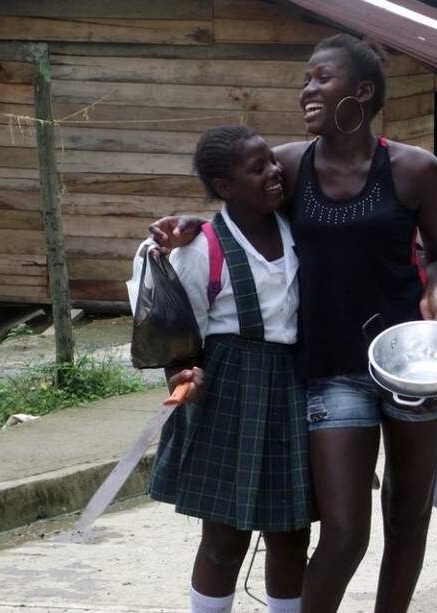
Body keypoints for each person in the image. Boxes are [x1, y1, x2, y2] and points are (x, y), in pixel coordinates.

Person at [147, 34, 437, 613]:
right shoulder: (289, 165)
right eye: (306, 80)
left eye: (322, 78)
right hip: (330, 370)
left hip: (412, 364)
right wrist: (190, 223)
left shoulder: (416, 170)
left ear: (361, 93)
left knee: (408, 516)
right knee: (343, 532)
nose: (307, 90)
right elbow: (239, 211)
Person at [128, 126, 314, 613]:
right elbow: (176, 328)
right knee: (224, 537)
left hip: (293, 386)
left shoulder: (297, 226)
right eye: (257, 169)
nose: (274, 172)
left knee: (292, 531)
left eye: (272, 160)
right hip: (229, 389)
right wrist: (181, 371)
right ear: (224, 187)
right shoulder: (200, 248)